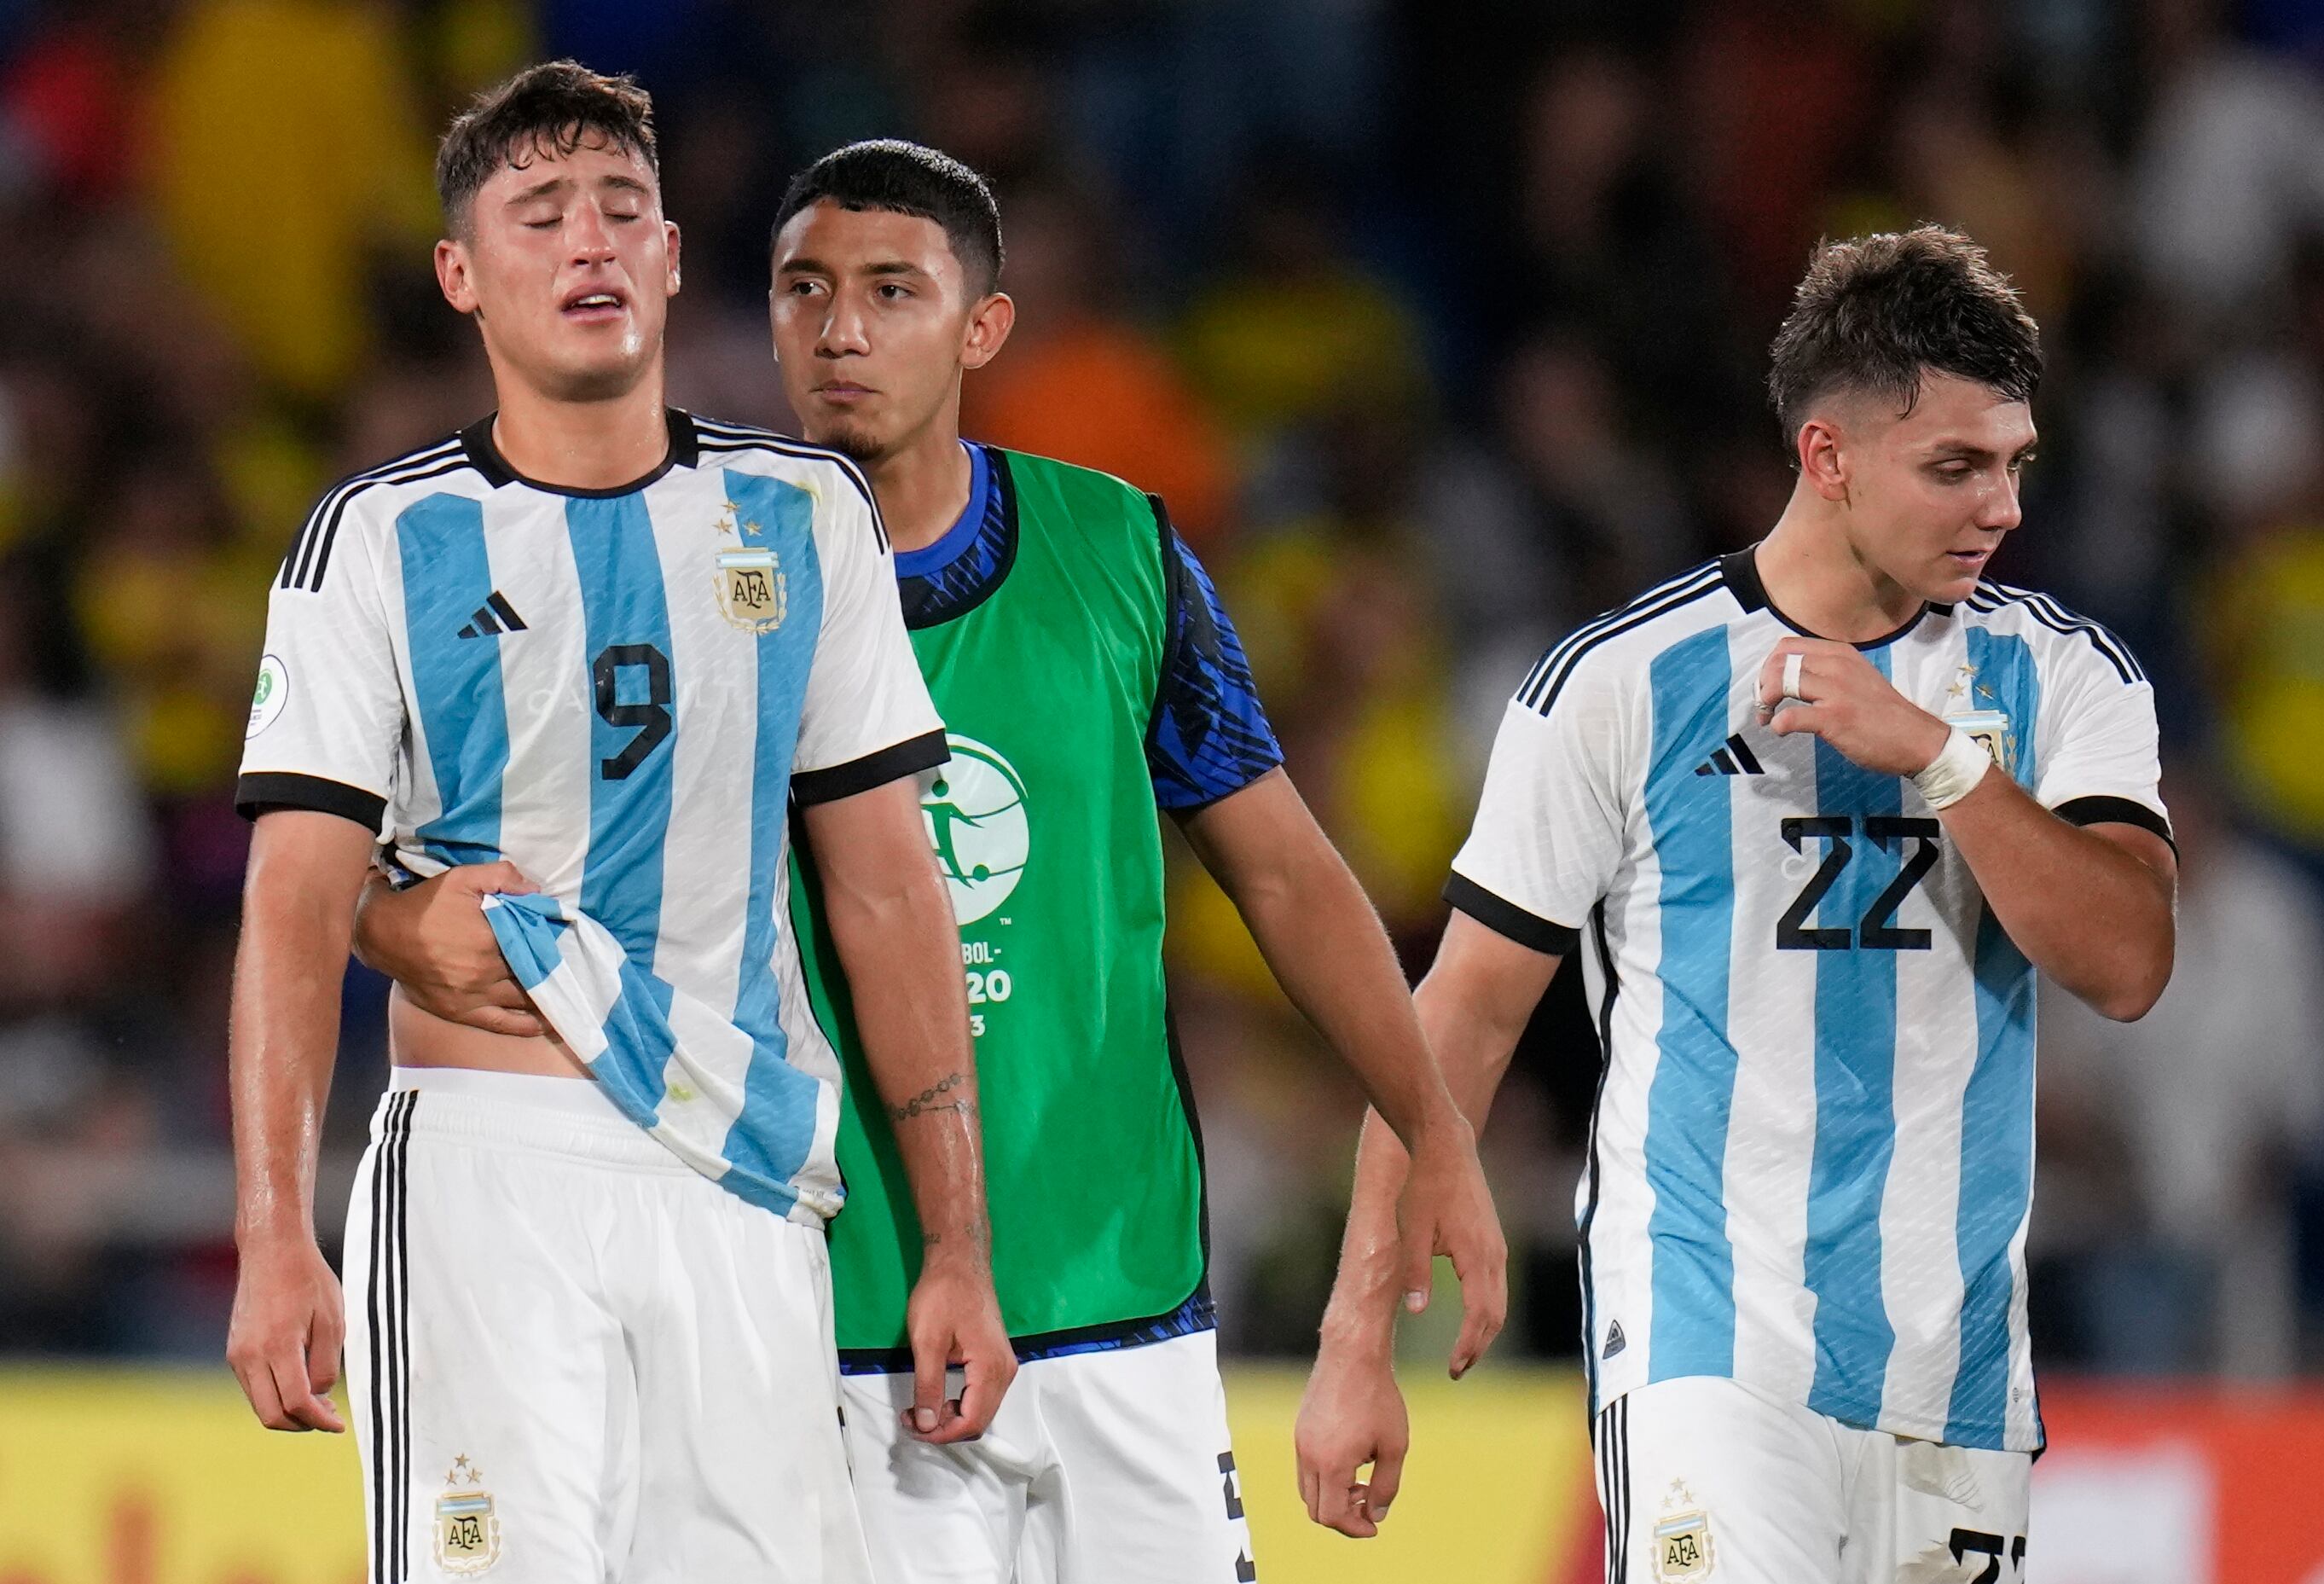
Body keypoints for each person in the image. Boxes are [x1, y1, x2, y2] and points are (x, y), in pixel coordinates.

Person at [359, 138, 1505, 1584]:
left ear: (983, 326)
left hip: (1125, 1291)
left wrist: (1435, 1131)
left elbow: (1283, 873)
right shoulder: (687, 564)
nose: (840, 330)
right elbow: (465, 862)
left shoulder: (1119, 550)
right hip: (838, 1317)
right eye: (803, 290)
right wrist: (384, 924)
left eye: (892, 290)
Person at [226, 66, 1010, 1583]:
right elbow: (295, 904)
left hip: (741, 1168)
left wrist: (956, 1243)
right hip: (488, 1170)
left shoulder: (804, 512)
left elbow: (890, 895)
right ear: (460, 273)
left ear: (669, 255)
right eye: (538, 214)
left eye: (622, 209)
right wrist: (274, 1232)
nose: (589, 240)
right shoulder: (379, 537)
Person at [1296, 227, 2179, 1576]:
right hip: (1704, 1343)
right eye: (1954, 466)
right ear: (1827, 457)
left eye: (2014, 463)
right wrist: (1354, 1339)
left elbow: (2127, 961)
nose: (2000, 506)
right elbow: (1454, 1020)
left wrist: (1939, 759)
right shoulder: (1619, 684)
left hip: (1952, 1371)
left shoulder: (2063, 677)